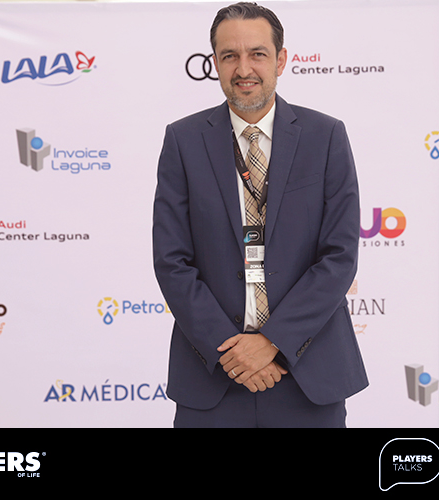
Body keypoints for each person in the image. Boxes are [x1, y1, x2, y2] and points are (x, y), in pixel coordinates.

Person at [153, 2, 368, 427]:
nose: (243, 68)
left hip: (307, 373)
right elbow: (172, 261)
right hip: (215, 375)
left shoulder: (325, 136)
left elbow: (339, 256)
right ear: (215, 63)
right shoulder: (183, 140)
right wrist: (233, 352)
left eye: (257, 54)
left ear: (281, 60)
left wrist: (273, 342)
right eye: (229, 55)